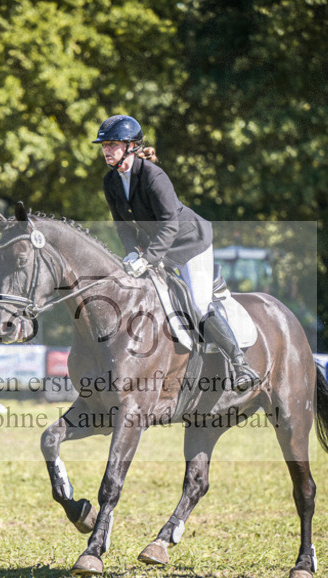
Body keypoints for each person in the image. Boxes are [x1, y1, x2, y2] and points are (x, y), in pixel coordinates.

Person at [93, 114, 259, 387]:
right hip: (156, 247)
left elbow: (169, 225)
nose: (107, 150)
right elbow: (122, 225)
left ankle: (241, 365)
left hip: (190, 242)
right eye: (104, 145)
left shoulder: (153, 176)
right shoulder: (110, 181)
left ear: (131, 146)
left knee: (198, 303)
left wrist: (147, 258)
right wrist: (131, 253)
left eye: (113, 144)